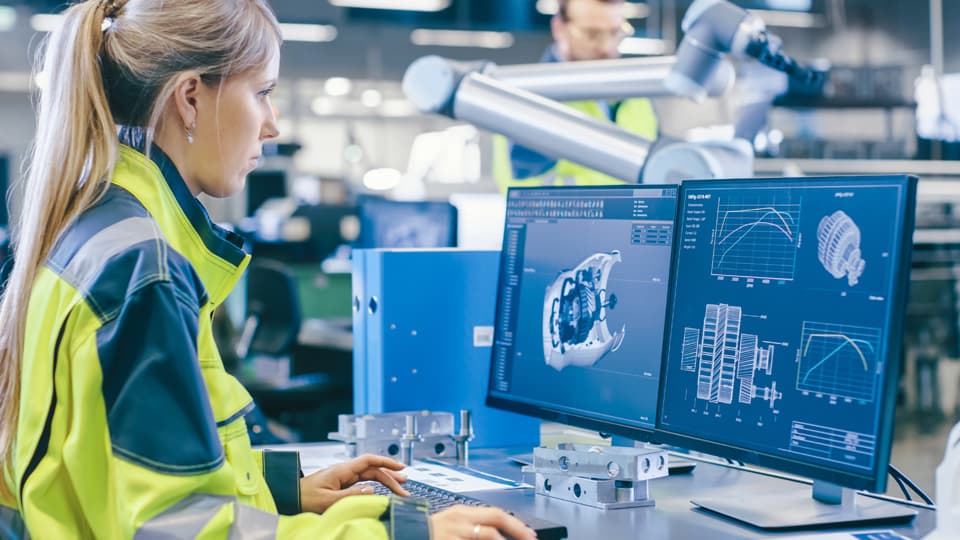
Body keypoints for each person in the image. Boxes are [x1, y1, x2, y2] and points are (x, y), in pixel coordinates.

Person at [0, 1, 535, 539]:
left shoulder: (93, 230)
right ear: (190, 99)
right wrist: (408, 534)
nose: (272, 125)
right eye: (261, 93)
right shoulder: (147, 270)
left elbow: (120, 468)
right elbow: (178, 531)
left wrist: (284, 490)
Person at [493, 0, 659, 191]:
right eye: (592, 34)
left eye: (615, 33)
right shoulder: (531, 99)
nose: (605, 47)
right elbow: (524, 191)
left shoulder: (637, 97)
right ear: (559, 29)